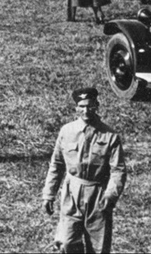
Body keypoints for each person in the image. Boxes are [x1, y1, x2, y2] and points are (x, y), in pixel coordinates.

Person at [42, 87, 127, 254]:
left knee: (98, 247)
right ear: (76, 108)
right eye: (81, 106)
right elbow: (57, 165)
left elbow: (118, 170)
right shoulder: (67, 131)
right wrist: (48, 195)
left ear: (97, 105)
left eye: (90, 106)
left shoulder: (110, 136)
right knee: (66, 242)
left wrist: (110, 195)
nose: (86, 110)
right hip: (71, 193)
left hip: (97, 194)